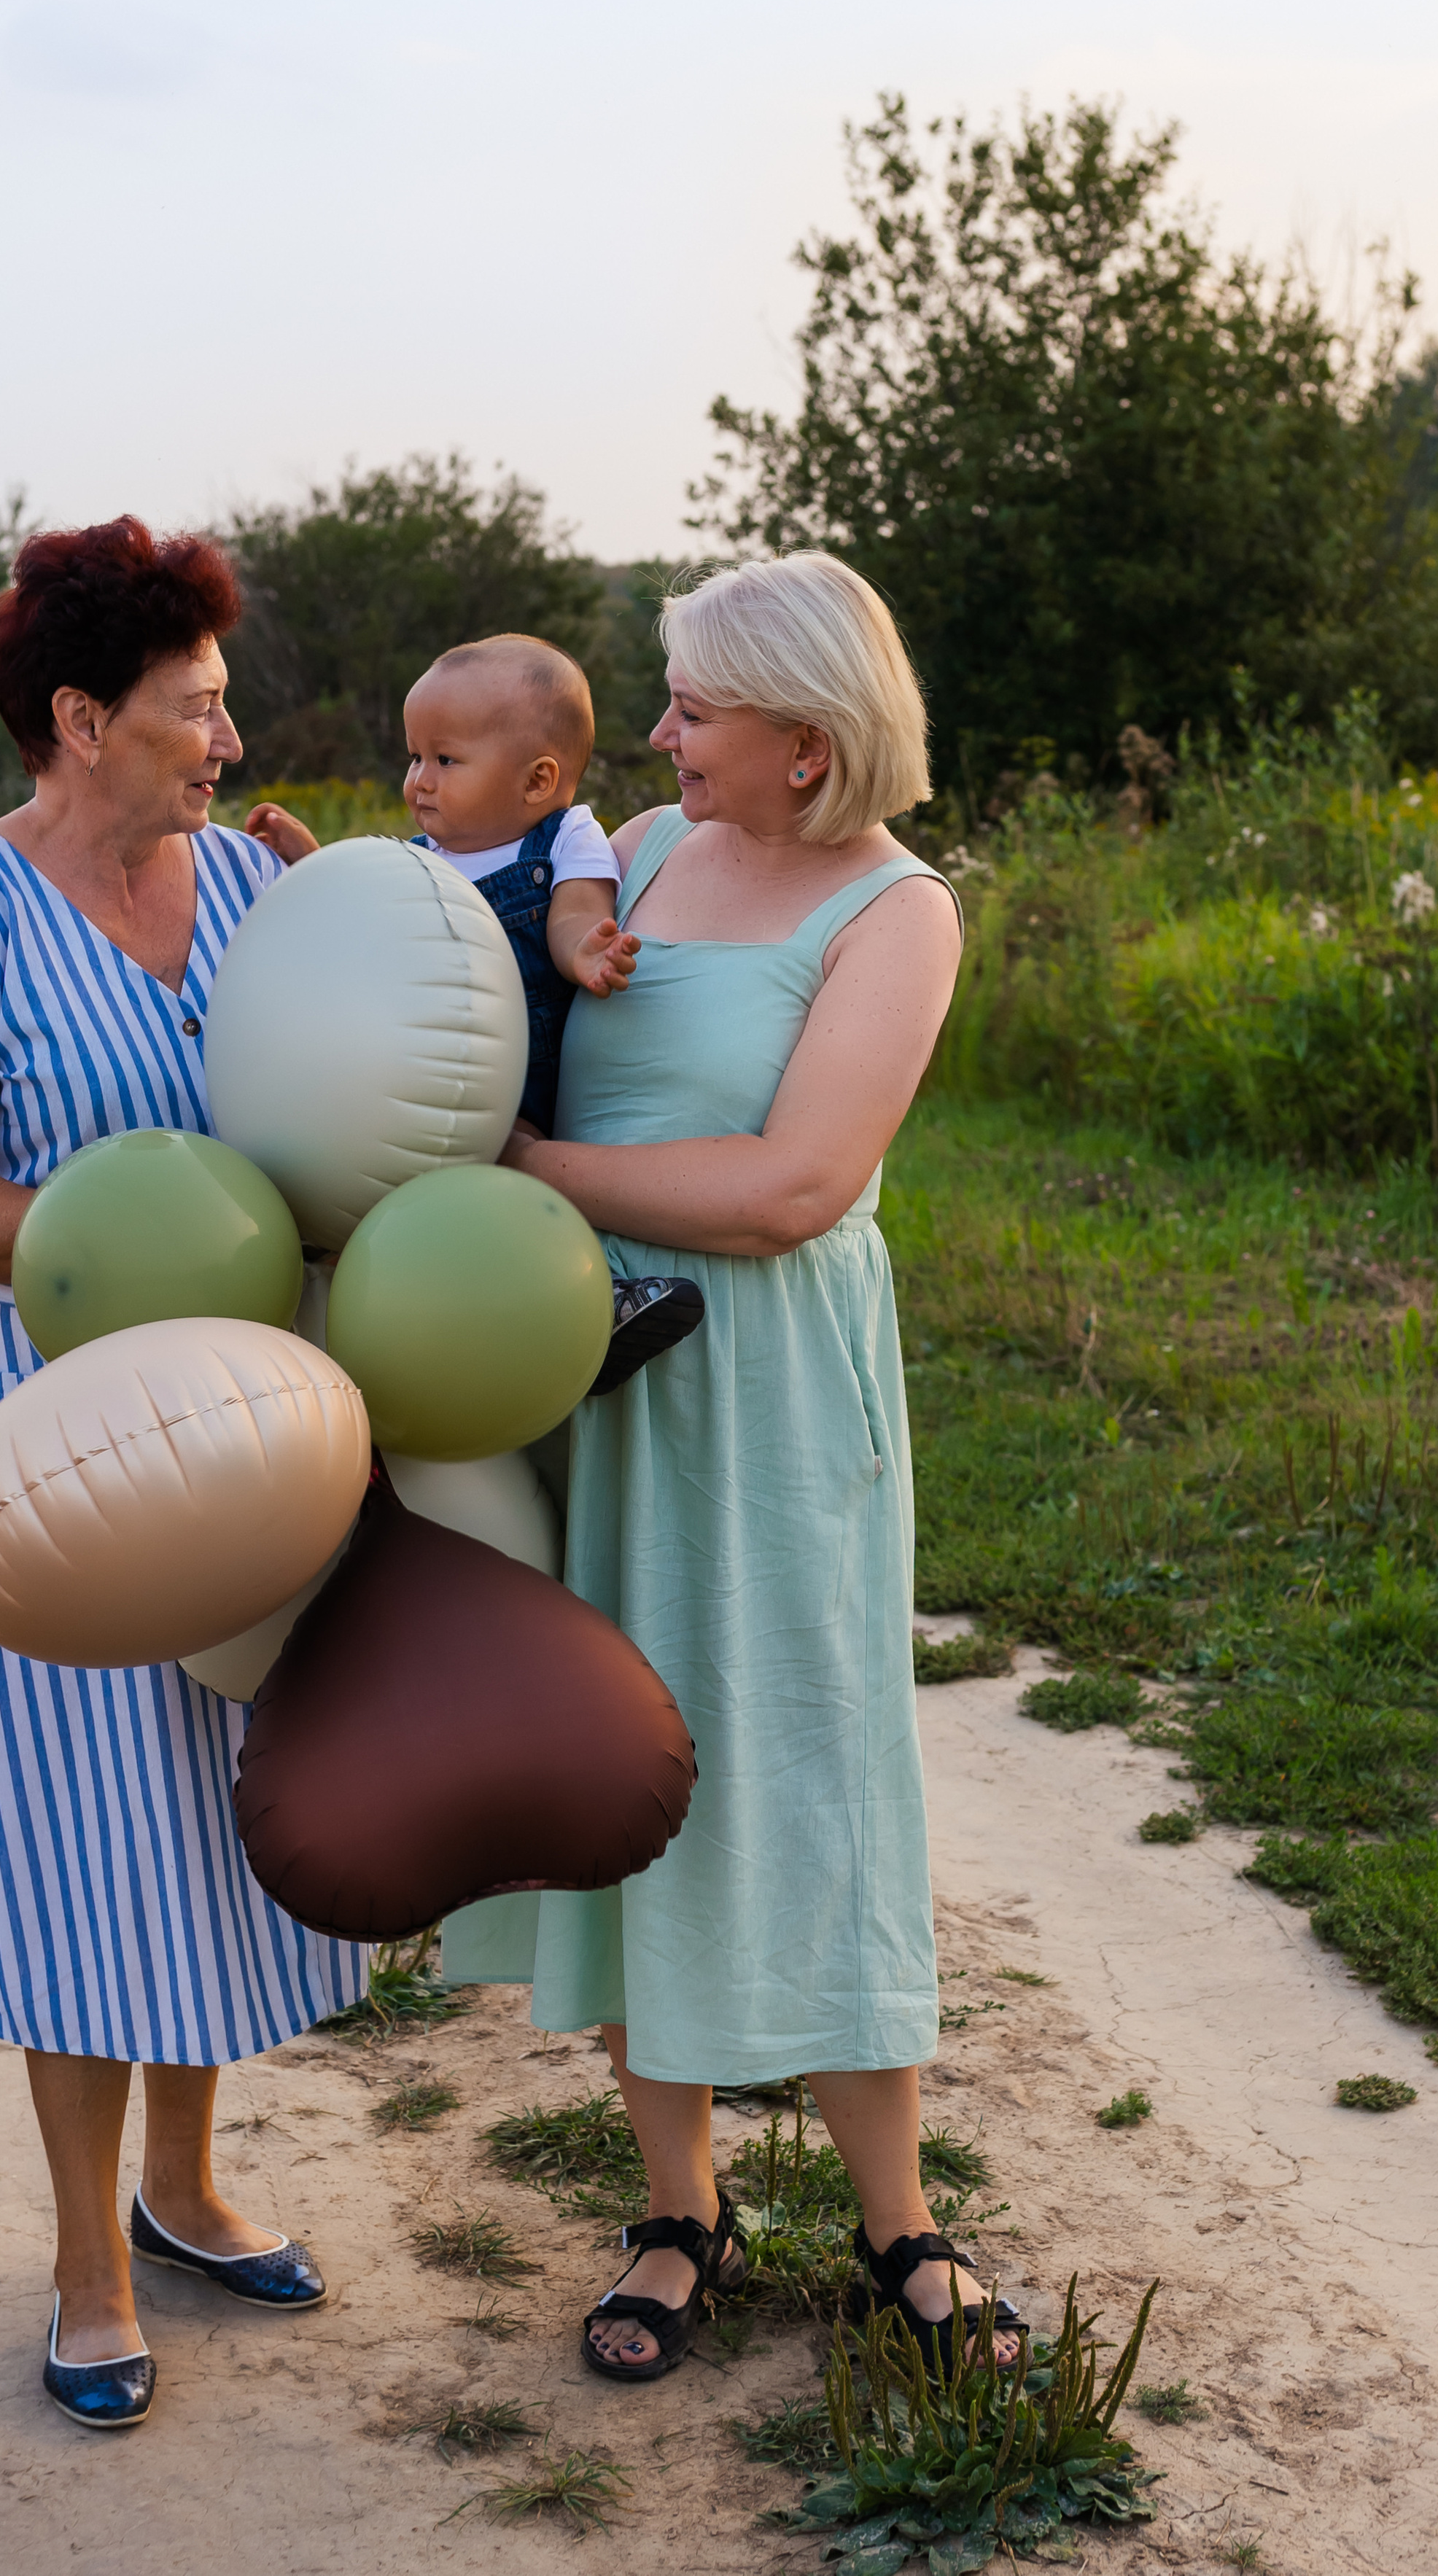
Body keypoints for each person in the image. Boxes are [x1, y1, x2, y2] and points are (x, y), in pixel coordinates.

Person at [442, 551, 1029, 2384]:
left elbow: (793, 1186)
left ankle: (895, 2220)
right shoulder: (637, 842)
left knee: (807, 1760)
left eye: (695, 701)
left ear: (805, 732)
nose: (661, 727)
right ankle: (677, 2205)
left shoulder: (893, 908)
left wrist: (533, 1175)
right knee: (628, 1761)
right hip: (587, 1367)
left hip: (764, 1390)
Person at [0, 518, 365, 2434]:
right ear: (79, 722)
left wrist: (351, 935)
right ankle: (88, 2262)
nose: (224, 742)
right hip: (47, 1451)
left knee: (210, 1811)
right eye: (191, 712)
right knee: (77, 1843)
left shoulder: (247, 886)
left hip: (243, 1433)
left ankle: (186, 2187)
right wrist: (134, 1241)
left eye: (224, 706)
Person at [249, 633, 702, 1393]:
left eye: (444, 761)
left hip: (518, 1068)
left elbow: (572, 913)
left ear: (537, 780)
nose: (418, 782)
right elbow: (363, 909)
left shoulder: (567, 836)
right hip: (427, 1067)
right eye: (413, 758)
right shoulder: (418, 856)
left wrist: (585, 954)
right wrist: (314, 862)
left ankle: (588, 1306)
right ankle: (334, 1254)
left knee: (509, 1169)